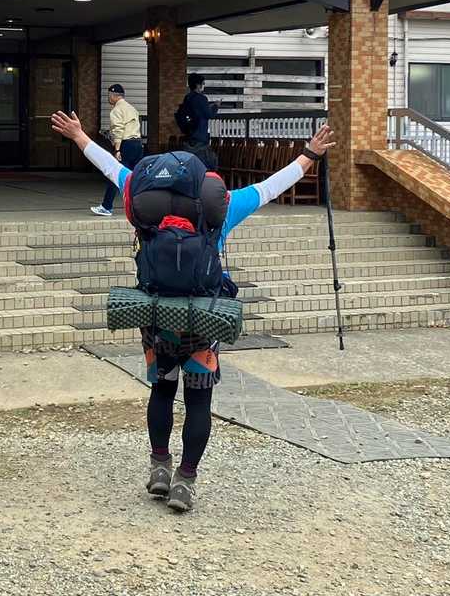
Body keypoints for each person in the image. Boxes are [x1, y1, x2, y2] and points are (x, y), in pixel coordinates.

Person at [52, 109, 336, 512]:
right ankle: (185, 481)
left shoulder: (143, 196)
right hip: (203, 320)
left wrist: (79, 136)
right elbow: (271, 186)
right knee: (199, 400)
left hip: (155, 316)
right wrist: (310, 153)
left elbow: (111, 168)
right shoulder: (221, 207)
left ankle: (159, 467)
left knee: (162, 390)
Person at [91, 84, 143, 217]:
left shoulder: (116, 110)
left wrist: (117, 150)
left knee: (115, 174)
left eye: (109, 95)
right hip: (137, 144)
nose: (108, 98)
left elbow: (118, 130)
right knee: (136, 177)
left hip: (125, 145)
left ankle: (106, 206)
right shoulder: (132, 108)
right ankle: (141, 207)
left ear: (113, 95)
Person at [175, 73, 220, 170]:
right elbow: (209, 114)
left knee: (190, 164)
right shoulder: (202, 98)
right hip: (200, 136)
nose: (203, 86)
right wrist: (216, 106)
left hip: (189, 135)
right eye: (203, 83)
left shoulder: (187, 98)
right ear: (198, 85)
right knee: (207, 163)